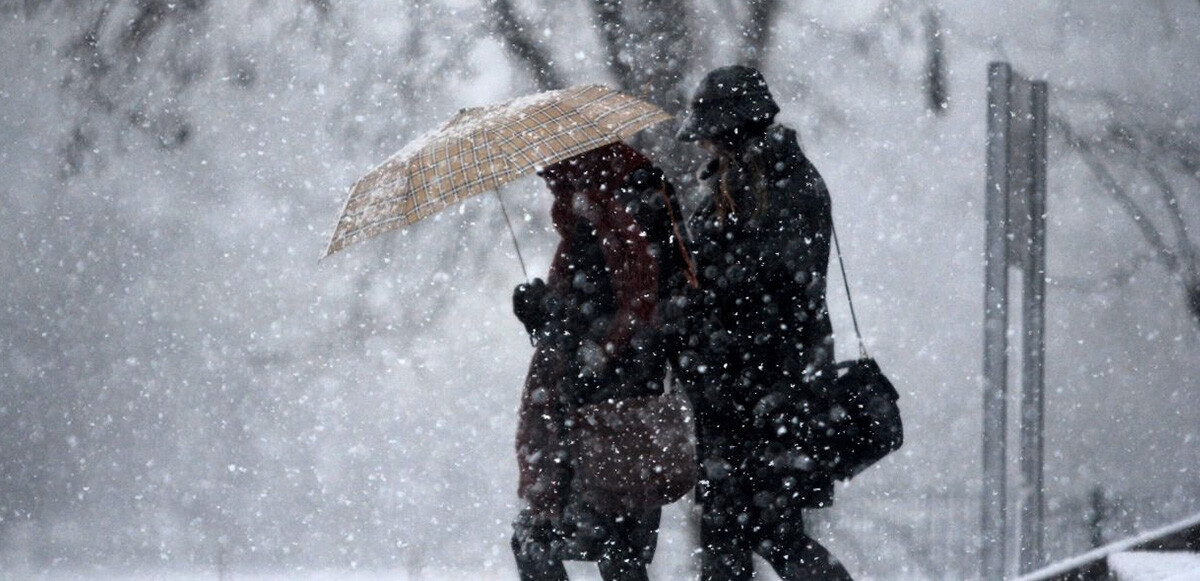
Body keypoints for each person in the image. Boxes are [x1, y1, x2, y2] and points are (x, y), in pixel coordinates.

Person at [672, 65, 854, 581]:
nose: (702, 145)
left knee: (773, 535)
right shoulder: (746, 184)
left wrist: (707, 278)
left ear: (732, 130)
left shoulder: (785, 186)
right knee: (731, 539)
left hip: (769, 392)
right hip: (740, 395)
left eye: (710, 134)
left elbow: (776, 287)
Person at [509, 142, 687, 581]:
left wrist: (586, 346)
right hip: (587, 405)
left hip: (614, 410)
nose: (549, 181)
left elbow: (636, 307)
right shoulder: (590, 220)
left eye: (556, 170)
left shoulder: (621, 209)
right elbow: (586, 312)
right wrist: (542, 312)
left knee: (611, 544)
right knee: (550, 540)